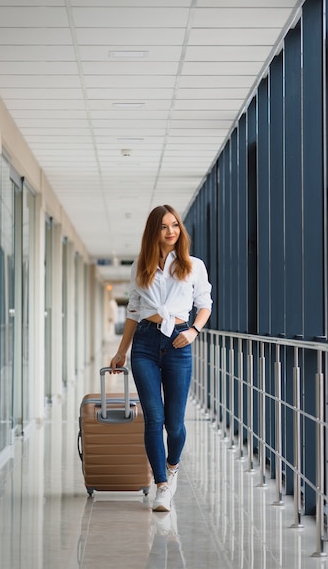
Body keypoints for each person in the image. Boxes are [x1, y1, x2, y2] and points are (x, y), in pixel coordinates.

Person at [110, 204, 212, 512]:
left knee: (175, 424)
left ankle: (173, 465)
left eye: (175, 226)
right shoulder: (140, 266)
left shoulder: (194, 265)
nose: (171, 231)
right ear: (153, 231)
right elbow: (132, 312)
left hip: (180, 342)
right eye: (164, 227)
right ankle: (162, 486)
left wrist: (194, 330)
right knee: (153, 418)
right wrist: (121, 351)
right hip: (145, 343)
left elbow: (204, 305)